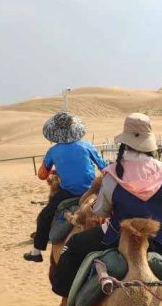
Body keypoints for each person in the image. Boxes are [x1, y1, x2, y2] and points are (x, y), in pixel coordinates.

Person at [50, 113, 162, 306]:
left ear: (125, 143)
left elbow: (100, 211)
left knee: (73, 246)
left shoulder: (113, 175)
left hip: (120, 236)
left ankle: (66, 300)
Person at [24, 112, 107, 262]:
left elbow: (42, 175)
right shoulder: (87, 145)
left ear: (56, 132)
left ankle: (36, 252)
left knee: (44, 216)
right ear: (75, 128)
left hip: (68, 192)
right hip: (92, 190)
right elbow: (104, 168)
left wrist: (56, 167)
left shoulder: (53, 151)